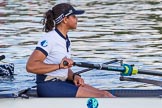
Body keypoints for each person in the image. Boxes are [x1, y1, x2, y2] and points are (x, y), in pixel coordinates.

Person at [26, 3, 114, 98]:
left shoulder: (66, 39)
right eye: (74, 16)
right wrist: (59, 65)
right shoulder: (50, 39)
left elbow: (63, 69)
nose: (77, 19)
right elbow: (31, 66)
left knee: (106, 94)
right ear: (65, 19)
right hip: (49, 85)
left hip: (61, 83)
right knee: (103, 96)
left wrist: (74, 76)